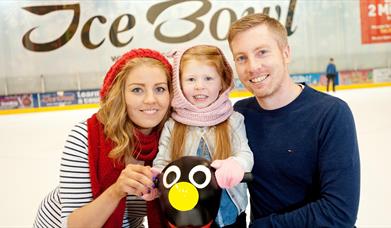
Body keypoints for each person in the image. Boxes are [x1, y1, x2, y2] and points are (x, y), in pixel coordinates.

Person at [227, 13, 360, 227]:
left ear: (285, 53)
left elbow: (339, 212)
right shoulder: (240, 115)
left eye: (262, 52)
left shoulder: (331, 114)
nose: (252, 66)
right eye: (241, 58)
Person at [33, 48, 173, 228]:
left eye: (160, 89)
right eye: (137, 89)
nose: (150, 99)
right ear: (119, 94)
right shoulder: (85, 136)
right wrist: (116, 190)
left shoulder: (173, 139)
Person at [153, 45, 254, 227]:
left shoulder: (233, 121)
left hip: (229, 214)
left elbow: (245, 154)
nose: (200, 86)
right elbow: (162, 162)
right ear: (179, 84)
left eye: (208, 78)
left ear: (222, 82)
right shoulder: (173, 125)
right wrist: (156, 177)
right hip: (187, 215)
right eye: (191, 79)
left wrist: (236, 165)